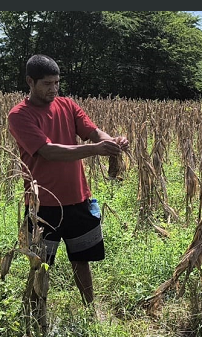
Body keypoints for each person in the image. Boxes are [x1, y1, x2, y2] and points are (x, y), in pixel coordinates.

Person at [7, 54, 129, 306]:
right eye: (47, 84)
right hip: (43, 204)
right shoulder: (20, 115)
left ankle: (89, 310)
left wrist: (111, 141)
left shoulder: (67, 105)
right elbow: (48, 151)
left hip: (77, 198)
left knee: (81, 259)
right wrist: (95, 150)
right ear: (30, 82)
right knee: (40, 264)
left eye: (57, 83)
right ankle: (35, 315)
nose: (53, 89)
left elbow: (92, 132)